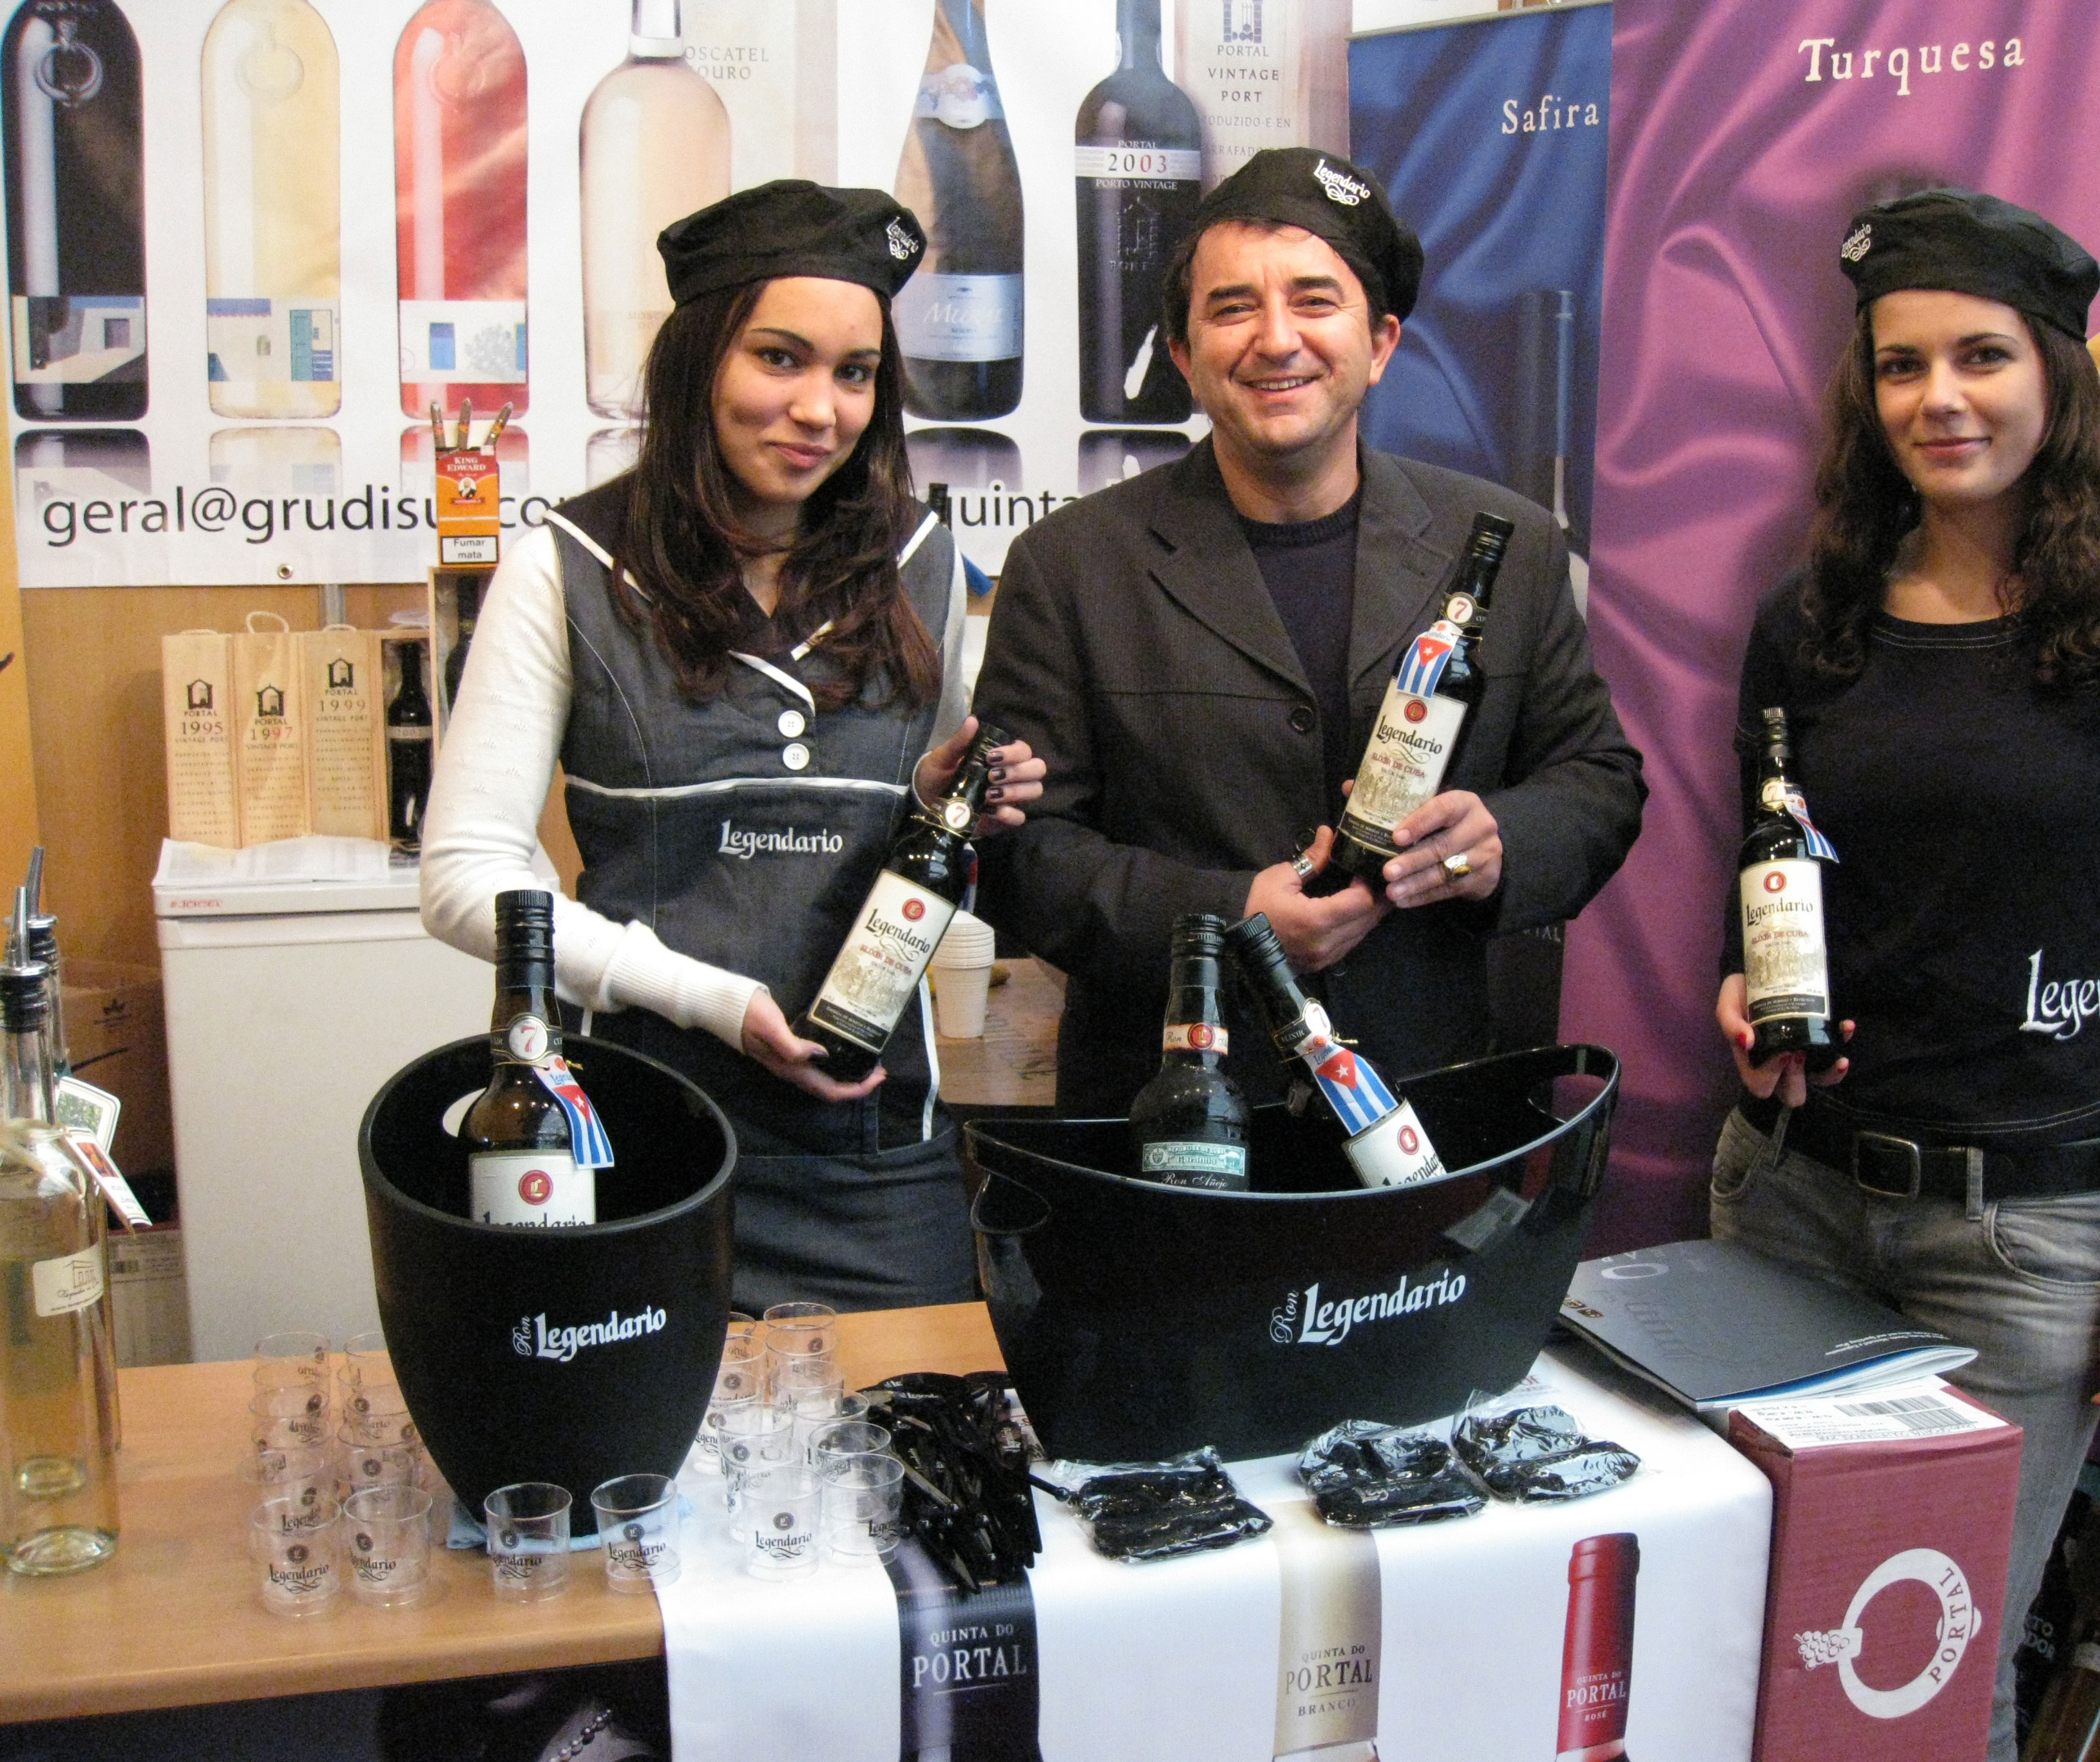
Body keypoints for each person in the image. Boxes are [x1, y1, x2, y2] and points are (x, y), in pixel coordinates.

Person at [1710, 189, 2100, 1761]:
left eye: (1981, 357)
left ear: (2055, 376)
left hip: (2026, 1244)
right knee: (1761, 1644)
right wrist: (1738, 984)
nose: (1938, 399)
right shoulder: (1805, 627)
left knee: (1927, 1681)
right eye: (1900, 366)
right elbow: (1769, 870)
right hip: (1791, 1202)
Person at [420, 181, 1044, 1313]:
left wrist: (945, 805)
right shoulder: (566, 567)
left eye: (855, 373)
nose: (820, 409)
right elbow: (465, 879)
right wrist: (714, 1001)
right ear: (699, 360)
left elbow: (915, 858)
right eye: (780, 359)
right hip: (642, 1141)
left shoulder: (921, 564)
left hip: (873, 1158)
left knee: (914, 1423)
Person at [973, 148, 1644, 1113]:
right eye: (1232, 308)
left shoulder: (1511, 546)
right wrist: (1228, 918)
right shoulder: (1068, 567)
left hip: (1429, 1111)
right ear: (1182, 356)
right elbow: (1021, 856)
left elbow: (1599, 781)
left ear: (1381, 343)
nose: (1276, 339)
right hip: (1171, 1125)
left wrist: (1498, 841)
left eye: (1315, 301)